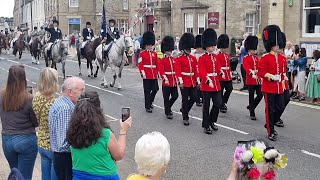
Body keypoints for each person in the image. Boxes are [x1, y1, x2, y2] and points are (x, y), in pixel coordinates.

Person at [67, 90, 132, 179]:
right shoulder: (104, 133)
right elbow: (119, 155)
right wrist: (123, 131)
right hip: (104, 176)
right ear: (98, 109)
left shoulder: (72, 130)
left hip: (80, 176)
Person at [0, 65, 38, 180]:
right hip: (26, 139)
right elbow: (36, 122)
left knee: (15, 174)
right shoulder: (29, 98)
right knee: (25, 176)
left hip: (7, 139)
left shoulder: (1, 95)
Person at [48, 77, 85, 180]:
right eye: (81, 90)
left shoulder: (60, 102)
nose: (83, 93)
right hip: (65, 157)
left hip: (60, 157)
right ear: (70, 92)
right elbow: (63, 143)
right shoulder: (66, 109)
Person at [258, 25, 286, 141]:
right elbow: (261, 72)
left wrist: (284, 82)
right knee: (270, 110)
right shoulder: (265, 58)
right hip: (269, 87)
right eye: (275, 44)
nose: (277, 46)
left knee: (280, 106)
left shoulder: (282, 58)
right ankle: (270, 131)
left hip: (279, 87)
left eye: (278, 44)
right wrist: (272, 77)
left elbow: (284, 72)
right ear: (271, 45)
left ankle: (270, 123)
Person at [32, 67, 59, 180]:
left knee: (45, 176)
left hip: (41, 142)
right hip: (52, 145)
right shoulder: (54, 103)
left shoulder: (36, 96)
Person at [198, 28, 222, 134]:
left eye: (214, 45)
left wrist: (221, 72)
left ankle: (212, 121)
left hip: (216, 84)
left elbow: (218, 68)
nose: (213, 47)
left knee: (218, 103)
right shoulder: (202, 58)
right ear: (207, 46)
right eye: (212, 45)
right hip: (207, 85)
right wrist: (208, 81)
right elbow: (202, 72)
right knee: (206, 106)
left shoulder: (215, 57)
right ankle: (206, 125)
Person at [175, 33, 199, 126]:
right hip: (184, 81)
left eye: (190, 48)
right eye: (188, 48)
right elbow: (178, 71)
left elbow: (195, 71)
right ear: (184, 49)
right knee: (185, 99)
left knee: (194, 98)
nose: (189, 50)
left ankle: (184, 110)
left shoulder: (193, 58)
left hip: (192, 81)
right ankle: (185, 117)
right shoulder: (179, 59)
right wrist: (180, 82)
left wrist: (197, 81)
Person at [138, 31, 159, 113]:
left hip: (153, 74)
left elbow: (157, 64)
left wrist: (158, 73)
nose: (150, 46)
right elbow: (140, 64)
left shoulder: (154, 54)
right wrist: (142, 72)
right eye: (148, 45)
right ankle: (147, 106)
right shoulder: (142, 54)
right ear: (145, 45)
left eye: (151, 45)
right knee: (147, 91)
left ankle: (150, 101)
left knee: (155, 89)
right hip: (146, 74)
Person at [158, 36, 178, 119]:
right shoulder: (162, 60)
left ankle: (167, 107)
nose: (169, 52)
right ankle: (168, 112)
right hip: (166, 82)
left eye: (170, 50)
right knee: (166, 98)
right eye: (167, 51)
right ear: (164, 51)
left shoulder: (174, 59)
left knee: (175, 96)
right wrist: (165, 78)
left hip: (173, 81)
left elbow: (177, 70)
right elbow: (161, 71)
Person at [243, 35, 262, 120]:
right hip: (250, 79)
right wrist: (251, 74)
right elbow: (246, 68)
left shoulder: (257, 58)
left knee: (260, 95)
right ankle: (252, 113)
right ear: (249, 49)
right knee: (251, 96)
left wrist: (260, 76)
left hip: (258, 79)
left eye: (254, 49)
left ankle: (251, 106)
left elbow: (260, 67)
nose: (254, 51)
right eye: (252, 49)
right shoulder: (245, 58)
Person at [216, 34, 233, 113]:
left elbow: (228, 65)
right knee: (221, 91)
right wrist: (221, 73)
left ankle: (223, 102)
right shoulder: (217, 55)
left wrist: (230, 73)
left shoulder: (227, 55)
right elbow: (217, 66)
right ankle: (222, 105)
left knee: (229, 89)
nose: (224, 49)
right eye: (223, 48)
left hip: (227, 75)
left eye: (225, 48)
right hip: (220, 75)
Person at [277, 32, 290, 128]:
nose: (281, 50)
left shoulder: (283, 58)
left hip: (283, 82)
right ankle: (275, 118)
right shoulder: (270, 57)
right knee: (276, 103)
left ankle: (277, 116)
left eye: (282, 49)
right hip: (274, 82)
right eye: (279, 48)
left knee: (286, 99)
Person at [191, 34, 204, 107]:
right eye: (199, 47)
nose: (200, 49)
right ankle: (198, 100)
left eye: (201, 47)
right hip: (195, 72)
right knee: (197, 87)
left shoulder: (204, 54)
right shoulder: (193, 54)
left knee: (202, 86)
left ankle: (201, 98)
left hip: (202, 72)